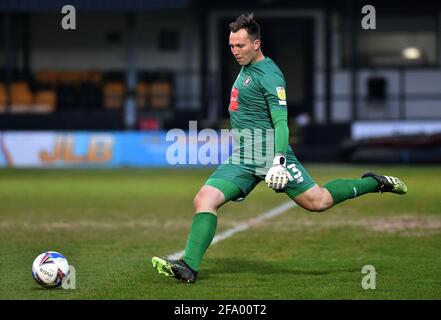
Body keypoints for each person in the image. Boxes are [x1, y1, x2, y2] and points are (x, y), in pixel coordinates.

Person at [151, 13, 407, 283]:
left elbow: (282, 122)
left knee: (318, 202)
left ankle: (373, 183)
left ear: (256, 44)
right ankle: (188, 266)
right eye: (231, 46)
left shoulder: (271, 76)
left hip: (270, 154)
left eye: (240, 46)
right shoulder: (248, 67)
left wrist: (280, 161)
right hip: (244, 156)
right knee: (204, 199)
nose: (235, 52)